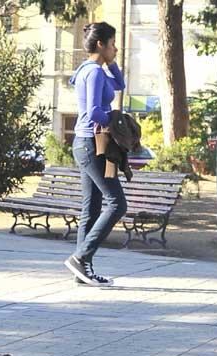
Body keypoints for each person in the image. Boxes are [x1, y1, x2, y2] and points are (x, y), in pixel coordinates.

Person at [64, 22, 128, 287]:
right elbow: (92, 112)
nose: (116, 48)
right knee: (117, 203)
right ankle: (81, 257)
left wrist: (110, 61)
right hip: (92, 144)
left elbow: (120, 83)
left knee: (90, 208)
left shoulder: (92, 69)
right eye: (112, 43)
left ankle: (82, 269)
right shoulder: (93, 73)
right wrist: (114, 120)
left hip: (86, 143)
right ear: (100, 44)